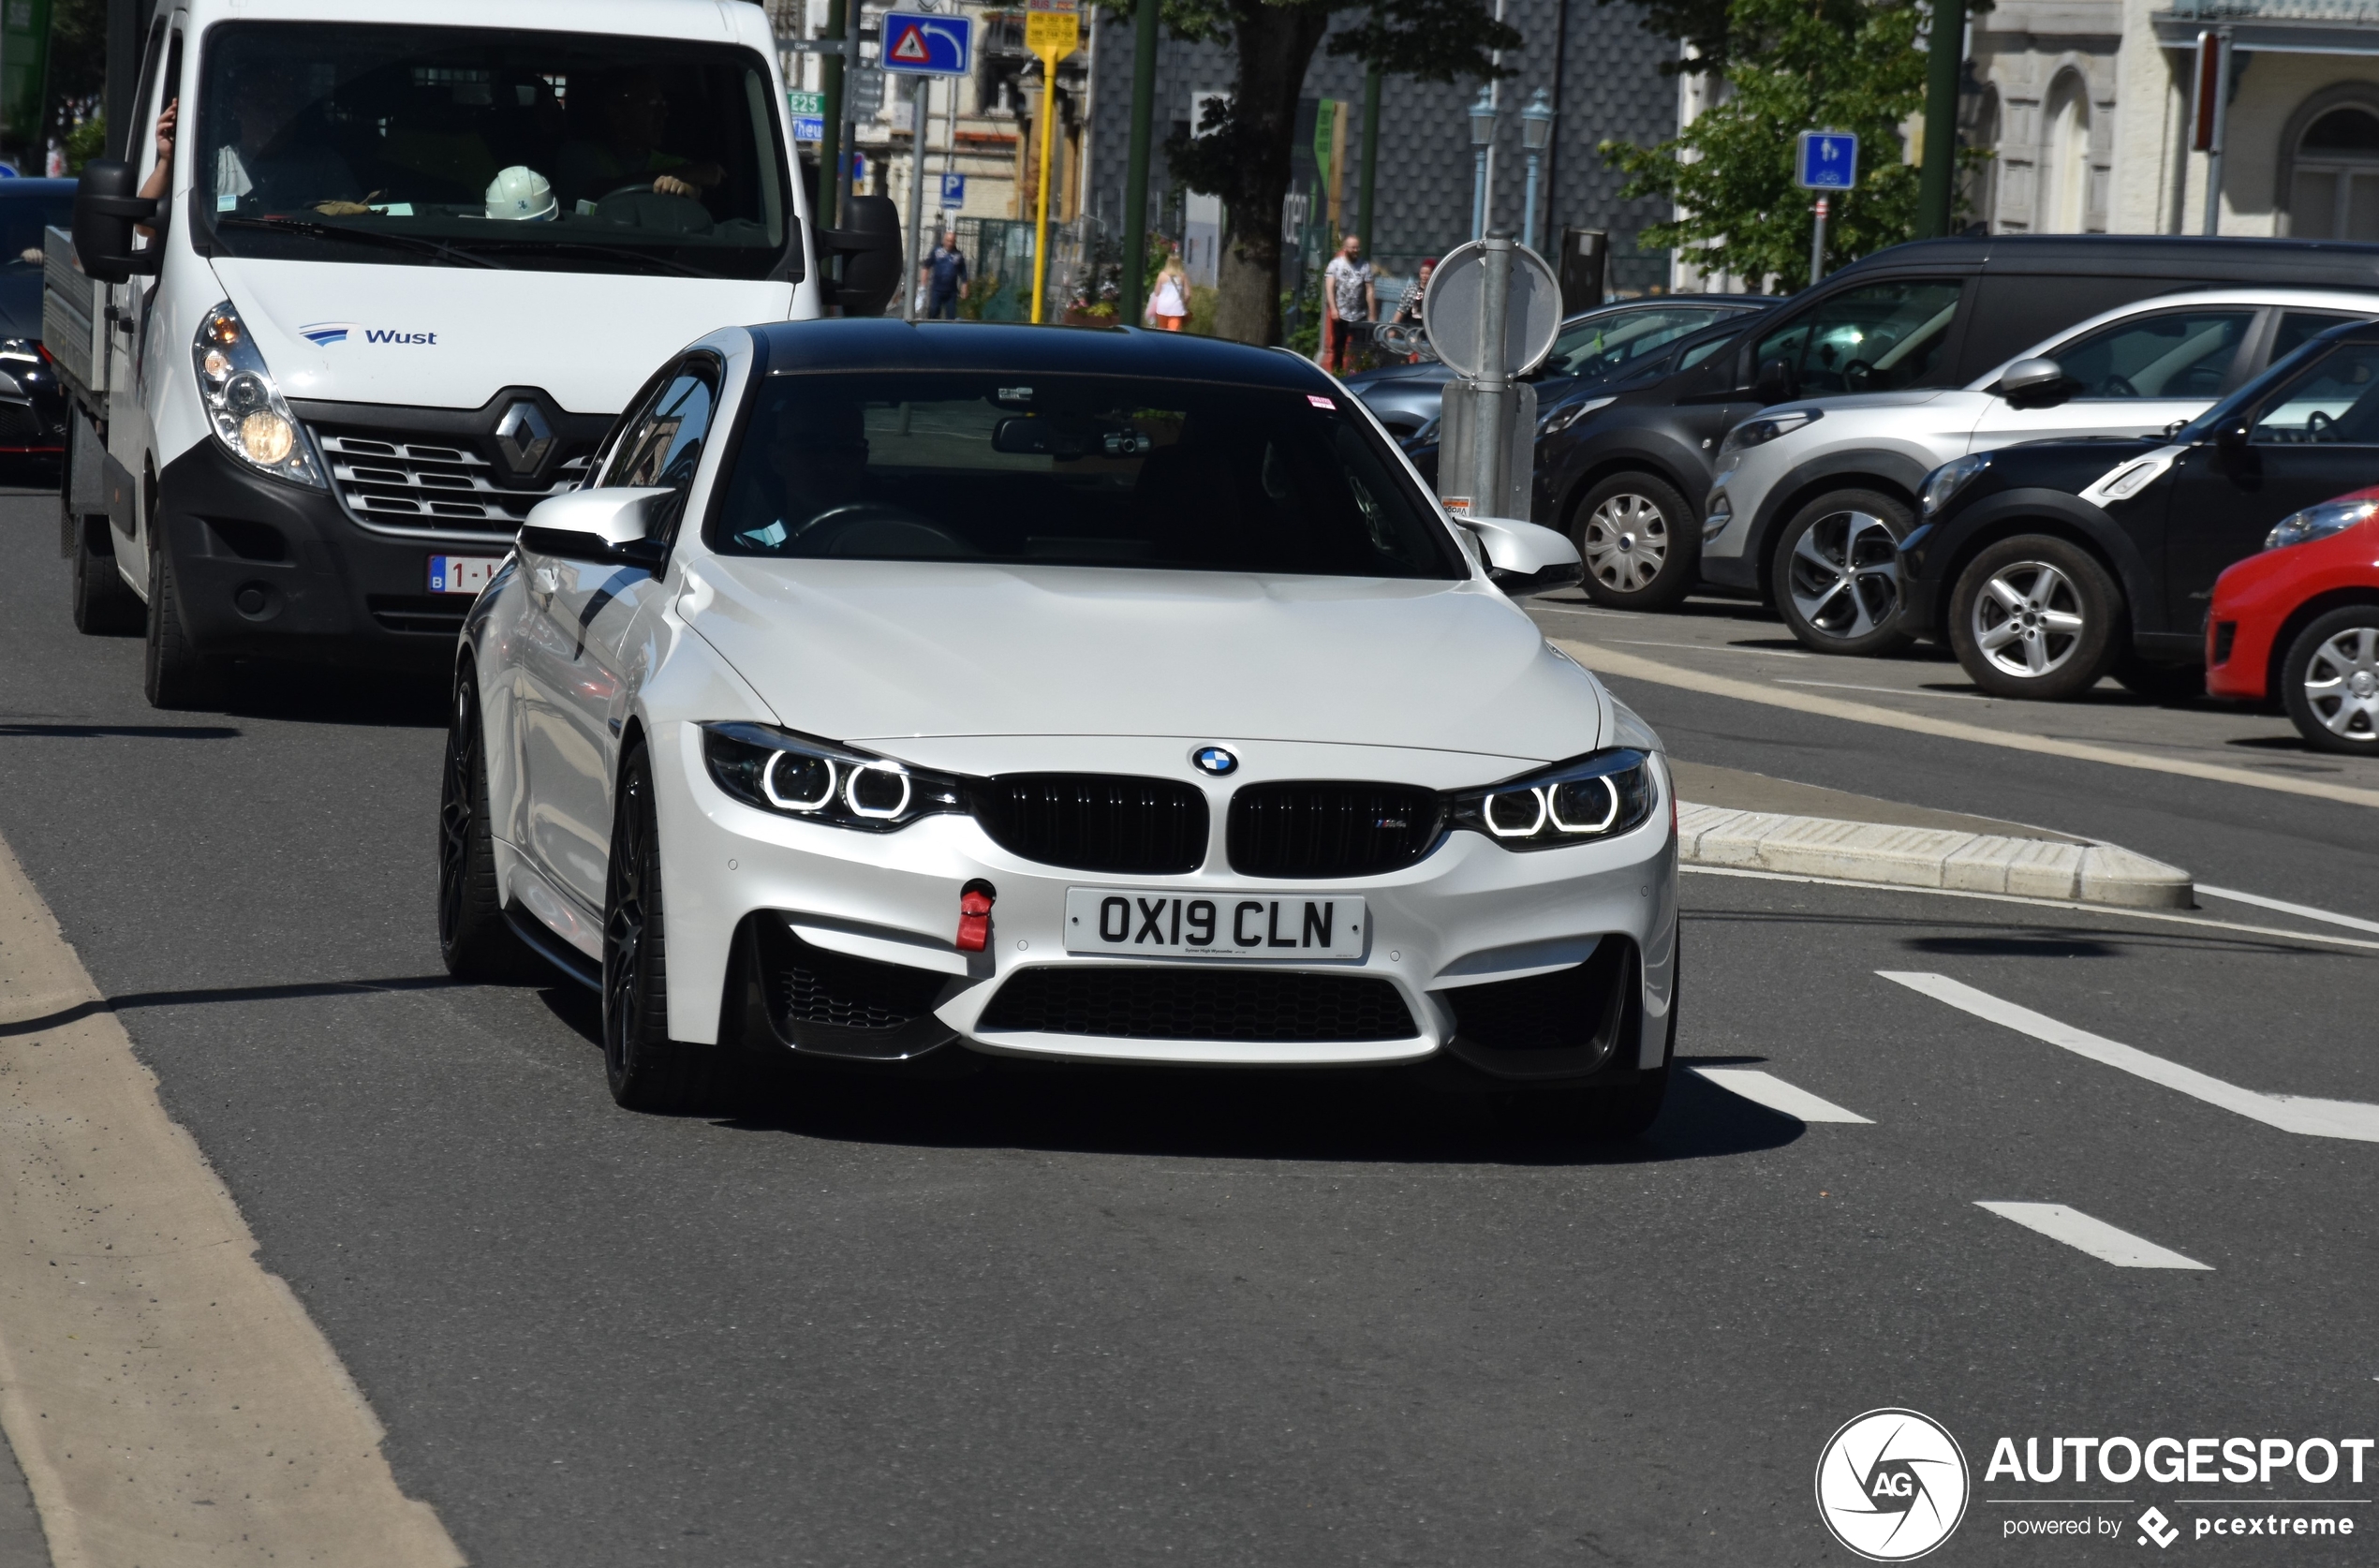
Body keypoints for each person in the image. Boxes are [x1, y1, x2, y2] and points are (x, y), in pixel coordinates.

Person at [138, 76, 367, 229]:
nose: (276, 116)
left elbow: (358, 224)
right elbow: (145, 225)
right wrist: (167, 161)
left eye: (285, 105)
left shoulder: (323, 165)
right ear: (239, 107)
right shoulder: (214, 164)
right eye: (265, 105)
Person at [556, 71, 724, 205]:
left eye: (663, 105)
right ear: (617, 114)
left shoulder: (672, 163)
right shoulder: (578, 155)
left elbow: (692, 192)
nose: (664, 114)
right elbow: (592, 194)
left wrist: (685, 188)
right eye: (652, 105)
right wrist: (685, 174)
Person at [1321, 232, 1375, 373]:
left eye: (1357, 248)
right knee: (1339, 345)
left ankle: (1357, 372)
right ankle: (1337, 371)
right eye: (1352, 248)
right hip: (1341, 312)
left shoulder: (1364, 266)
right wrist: (1333, 308)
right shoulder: (1335, 265)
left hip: (1359, 313)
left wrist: (1372, 314)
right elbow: (1329, 287)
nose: (1355, 251)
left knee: (1360, 347)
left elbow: (1369, 290)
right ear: (1345, 248)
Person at [921, 229, 968, 318]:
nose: (950, 243)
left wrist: (964, 286)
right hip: (937, 290)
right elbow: (926, 267)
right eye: (948, 241)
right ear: (944, 240)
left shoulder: (958, 255)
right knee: (934, 312)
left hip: (951, 292)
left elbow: (963, 272)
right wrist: (923, 287)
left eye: (952, 241)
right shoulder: (936, 251)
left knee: (951, 317)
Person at [1145, 249, 1189, 332]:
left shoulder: (1162, 275)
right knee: (1174, 334)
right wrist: (1184, 304)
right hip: (1176, 308)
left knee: (1163, 332)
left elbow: (1157, 292)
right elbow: (1188, 295)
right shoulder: (1182, 276)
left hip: (1162, 307)